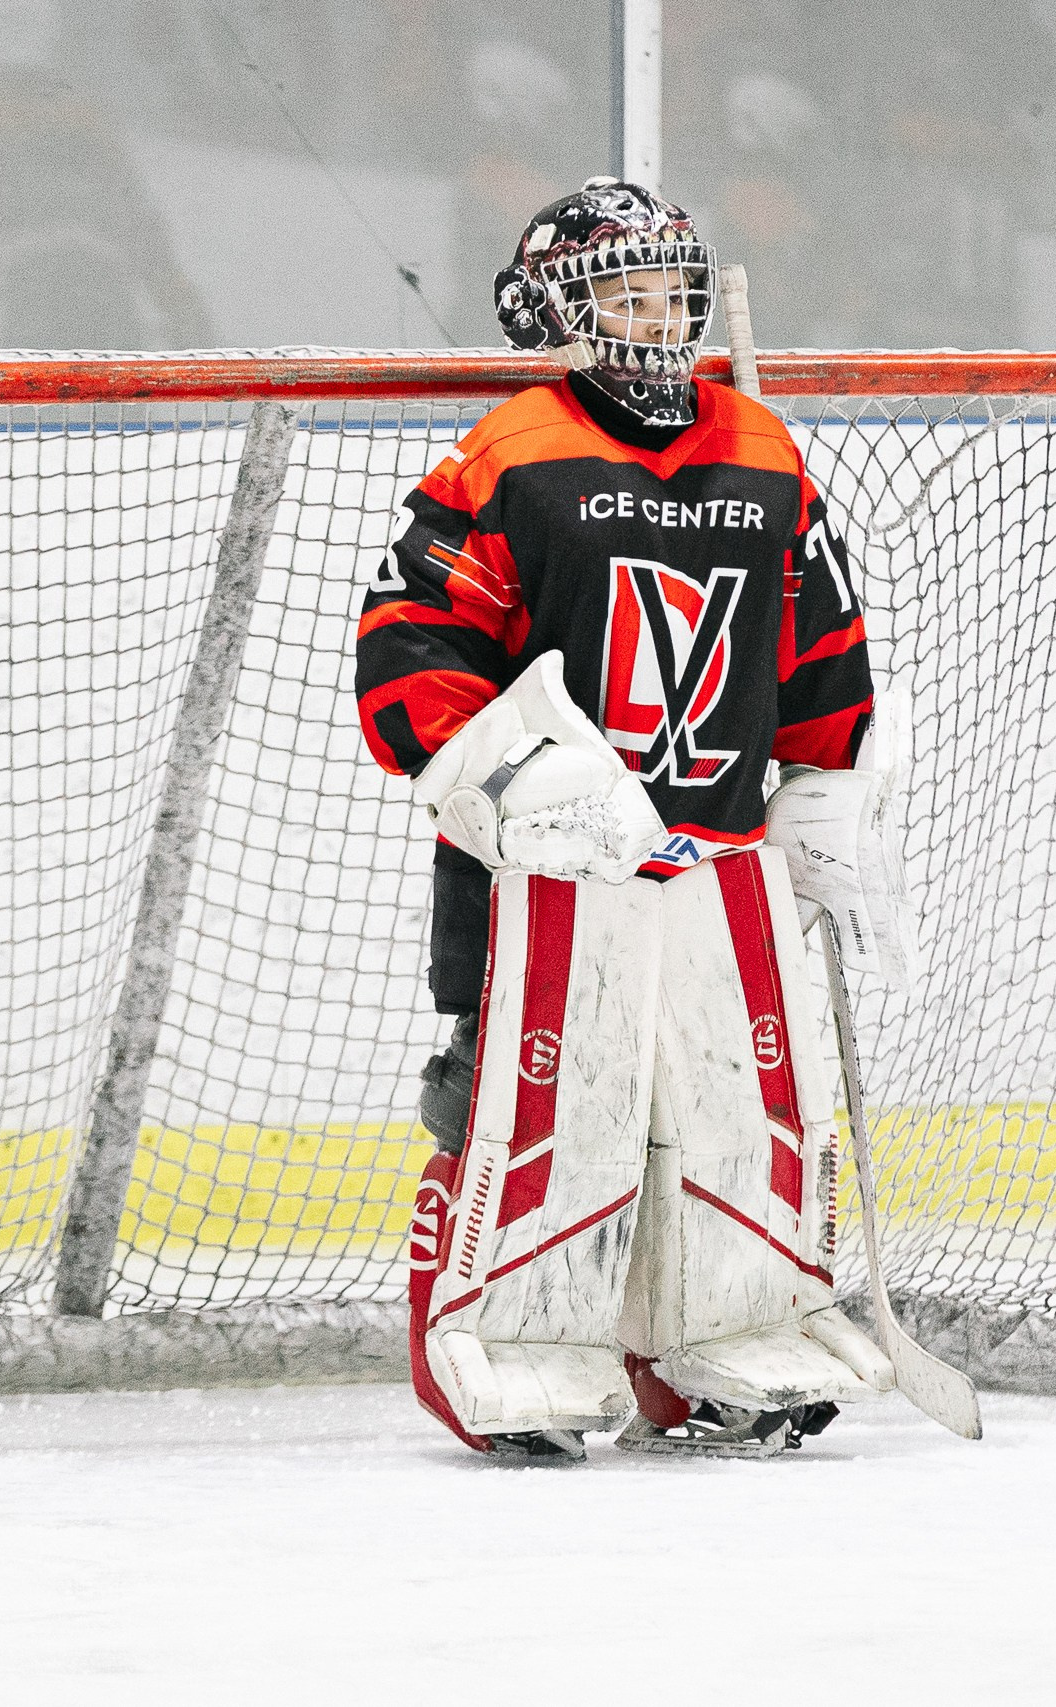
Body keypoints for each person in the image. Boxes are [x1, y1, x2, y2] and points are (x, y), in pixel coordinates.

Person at [355, 177, 907, 1459]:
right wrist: (510, 780)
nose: (657, 321)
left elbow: (813, 637)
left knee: (732, 1104)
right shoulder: (509, 451)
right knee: (540, 1104)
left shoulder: (761, 447)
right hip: (547, 867)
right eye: (624, 294)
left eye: (674, 296)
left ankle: (719, 1335)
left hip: (718, 853)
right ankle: (514, 1346)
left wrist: (825, 789)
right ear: (554, 313)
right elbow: (410, 649)